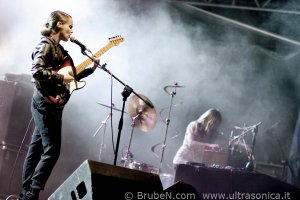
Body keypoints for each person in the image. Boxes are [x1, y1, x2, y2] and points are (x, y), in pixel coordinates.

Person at [20, 10, 100, 200]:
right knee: (52, 151)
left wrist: (91, 69)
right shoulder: (46, 45)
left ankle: (26, 193)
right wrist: (59, 76)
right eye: (70, 26)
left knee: (36, 148)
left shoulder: (59, 49)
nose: (72, 31)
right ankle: (32, 193)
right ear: (58, 25)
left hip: (51, 105)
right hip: (45, 103)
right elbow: (36, 71)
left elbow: (68, 78)